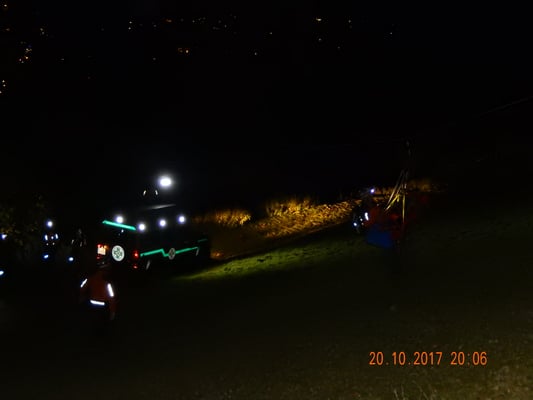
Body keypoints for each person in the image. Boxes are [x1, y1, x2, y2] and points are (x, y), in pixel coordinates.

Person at [79, 257, 117, 321]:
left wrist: (82, 297)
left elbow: (82, 288)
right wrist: (112, 312)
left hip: (91, 306)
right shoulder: (107, 282)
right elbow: (111, 298)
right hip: (103, 309)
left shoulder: (90, 278)